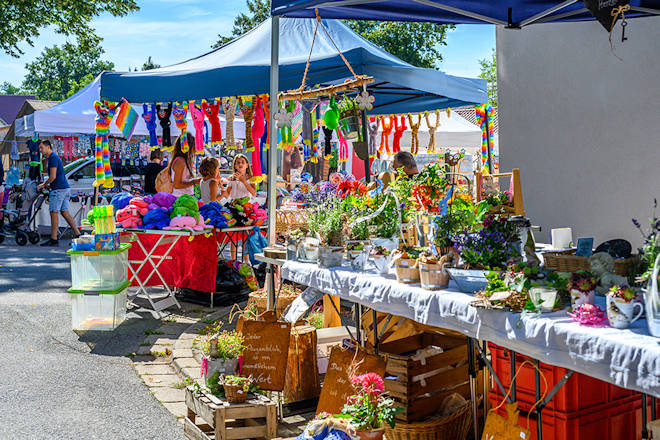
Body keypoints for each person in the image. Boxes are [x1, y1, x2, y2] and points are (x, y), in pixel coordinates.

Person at [37, 140, 80, 246]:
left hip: (59, 190)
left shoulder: (52, 158)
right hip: (64, 188)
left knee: (53, 212)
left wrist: (43, 184)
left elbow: (53, 176)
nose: (40, 150)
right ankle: (78, 234)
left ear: (48, 147)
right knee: (64, 212)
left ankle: (54, 239)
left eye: (42, 148)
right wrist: (48, 184)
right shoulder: (53, 158)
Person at [223, 154, 257, 260]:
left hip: (246, 209)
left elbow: (254, 192)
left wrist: (243, 181)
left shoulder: (251, 178)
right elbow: (227, 194)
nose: (240, 164)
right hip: (234, 208)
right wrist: (220, 186)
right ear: (235, 165)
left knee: (245, 236)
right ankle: (233, 260)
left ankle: (245, 260)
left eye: (242, 162)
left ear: (247, 165)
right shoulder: (232, 178)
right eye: (238, 162)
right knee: (233, 236)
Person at [168, 133, 201, 197]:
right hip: (181, 198)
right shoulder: (180, 162)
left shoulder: (182, 161)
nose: (194, 150)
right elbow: (177, 185)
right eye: (194, 147)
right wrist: (194, 182)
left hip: (184, 197)